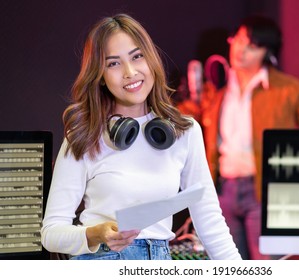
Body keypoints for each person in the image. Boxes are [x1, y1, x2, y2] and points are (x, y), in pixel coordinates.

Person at [40, 13, 242, 260]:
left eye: (137, 57)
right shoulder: (85, 136)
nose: (130, 72)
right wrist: (94, 234)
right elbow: (51, 233)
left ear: (151, 60)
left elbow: (209, 218)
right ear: (100, 77)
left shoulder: (184, 131)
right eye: (113, 63)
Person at [177, 14, 299, 260]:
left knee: (267, 264)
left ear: (267, 52)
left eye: (253, 46)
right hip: (223, 189)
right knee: (226, 263)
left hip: (263, 191)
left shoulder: (287, 89)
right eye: (239, 40)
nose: (242, 50)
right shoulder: (217, 89)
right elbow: (186, 119)